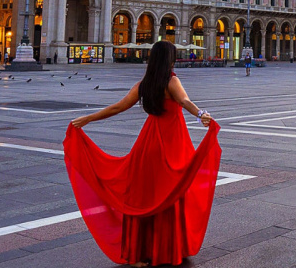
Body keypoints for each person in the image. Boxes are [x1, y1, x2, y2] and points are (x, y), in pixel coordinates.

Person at [64, 41, 220, 267]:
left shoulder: (144, 85)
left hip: (148, 144)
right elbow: (185, 101)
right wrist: (201, 114)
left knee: (144, 195)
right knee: (170, 194)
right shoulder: (172, 81)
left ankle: (137, 254)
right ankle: (167, 250)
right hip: (172, 143)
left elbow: (118, 107)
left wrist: (88, 118)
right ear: (169, 59)